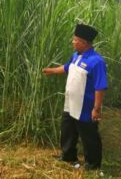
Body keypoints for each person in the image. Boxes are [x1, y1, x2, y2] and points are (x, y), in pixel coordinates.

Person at [42, 24, 108, 170]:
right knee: (67, 131)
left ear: (84, 43)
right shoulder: (76, 56)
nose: (72, 42)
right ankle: (68, 156)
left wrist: (96, 109)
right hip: (70, 104)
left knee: (89, 136)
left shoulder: (97, 62)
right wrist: (50, 70)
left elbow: (100, 86)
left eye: (75, 40)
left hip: (85, 107)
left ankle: (92, 164)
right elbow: (66, 68)